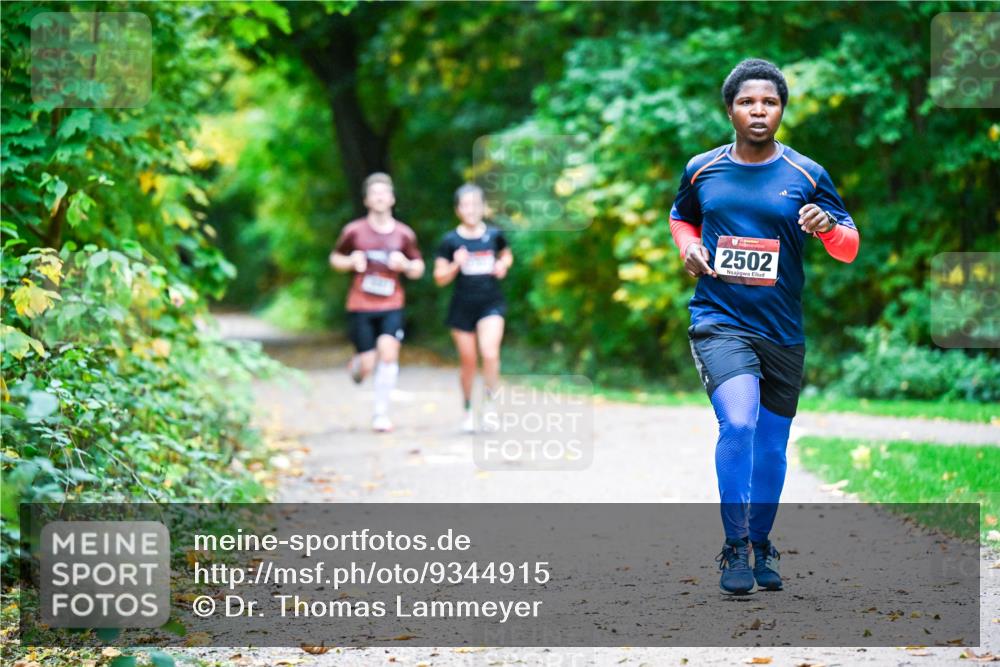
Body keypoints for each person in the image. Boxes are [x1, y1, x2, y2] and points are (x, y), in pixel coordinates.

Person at [668, 59, 859, 595]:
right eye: (748, 102)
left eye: (769, 102)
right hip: (719, 320)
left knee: (773, 446)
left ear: (781, 110)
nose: (759, 110)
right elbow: (681, 217)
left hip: (781, 329)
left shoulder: (806, 174)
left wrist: (826, 228)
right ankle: (732, 548)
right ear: (730, 109)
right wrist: (689, 247)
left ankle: (760, 542)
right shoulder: (703, 168)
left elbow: (849, 245)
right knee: (741, 423)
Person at [330, 172, 425, 433]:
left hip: (392, 303)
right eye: (375, 193)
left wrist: (405, 265)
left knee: (389, 351)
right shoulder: (354, 231)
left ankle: (380, 414)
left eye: (385, 192)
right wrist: (351, 262)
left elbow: (418, 267)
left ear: (392, 198)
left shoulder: (404, 234)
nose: (380, 197)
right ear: (367, 200)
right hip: (360, 305)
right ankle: (359, 366)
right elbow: (335, 258)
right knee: (368, 364)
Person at [434, 184, 513, 433]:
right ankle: (468, 409)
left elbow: (507, 254)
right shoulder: (450, 241)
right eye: (466, 205)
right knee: (468, 362)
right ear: (458, 210)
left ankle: (490, 406)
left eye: (475, 204)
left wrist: (503, 265)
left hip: (491, 303)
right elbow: (439, 278)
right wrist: (456, 265)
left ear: (483, 207)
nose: (471, 210)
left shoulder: (494, 235)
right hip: (462, 307)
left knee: (490, 353)